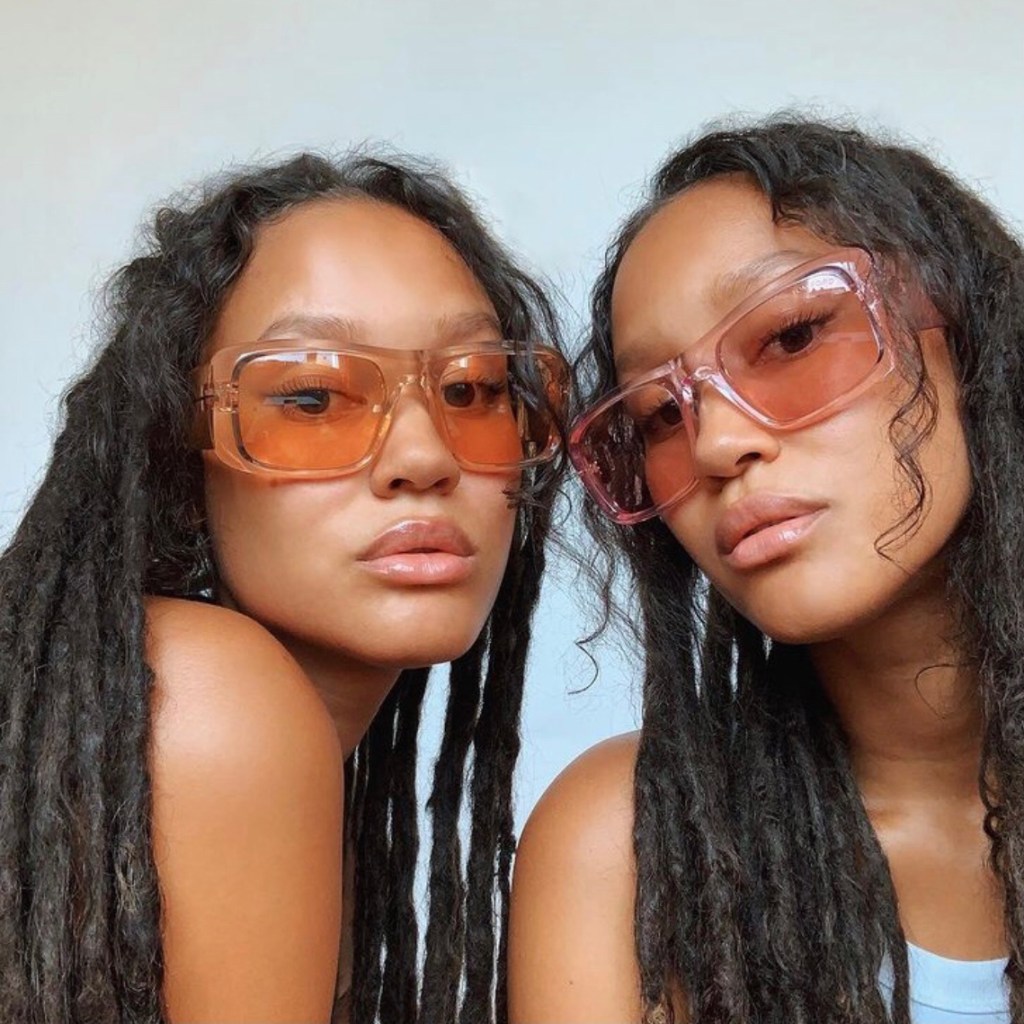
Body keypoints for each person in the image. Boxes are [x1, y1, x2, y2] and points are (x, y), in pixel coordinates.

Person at [0, 151, 569, 1024]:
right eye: (311, 398)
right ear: (178, 458)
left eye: (473, 389)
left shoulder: (202, 753)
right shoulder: (204, 699)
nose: (424, 456)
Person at [508, 117, 1024, 1024]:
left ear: (975, 335)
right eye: (659, 416)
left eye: (791, 337)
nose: (716, 442)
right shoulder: (631, 851)